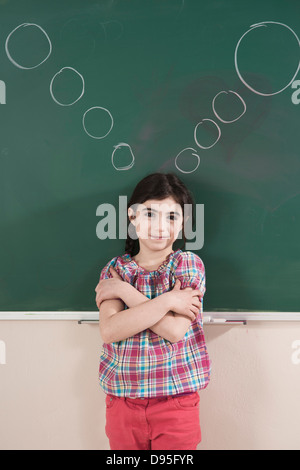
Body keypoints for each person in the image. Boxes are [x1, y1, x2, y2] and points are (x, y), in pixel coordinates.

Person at [94, 172, 211, 450]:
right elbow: (110, 330)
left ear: (184, 223)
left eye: (172, 217)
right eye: (149, 214)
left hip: (175, 403)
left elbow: (173, 331)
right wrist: (168, 301)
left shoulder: (188, 265)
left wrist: (124, 292)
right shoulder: (116, 271)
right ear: (132, 218)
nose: (160, 226)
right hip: (123, 403)